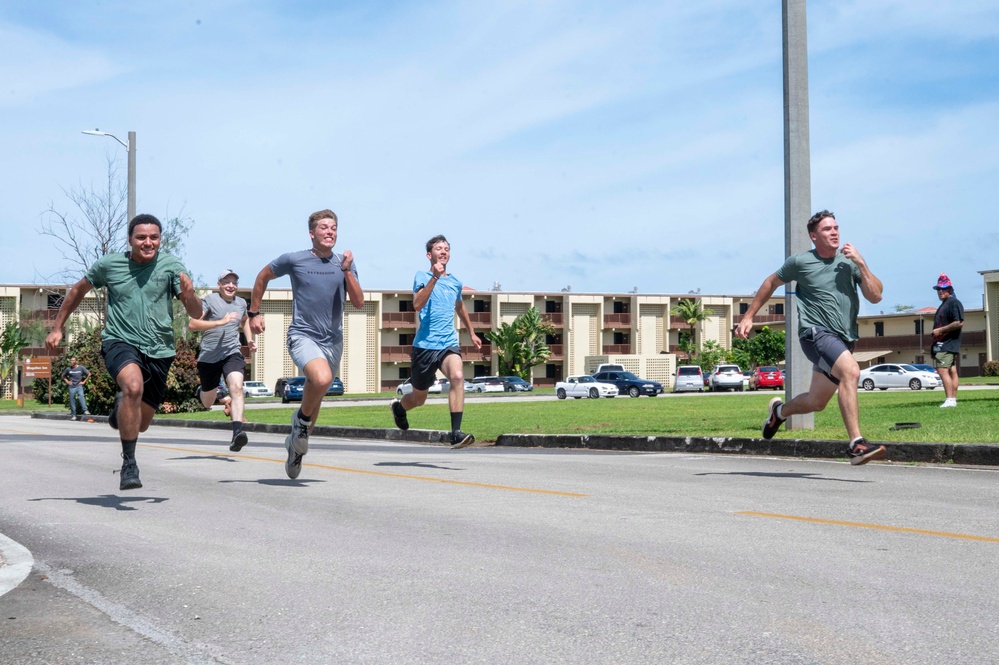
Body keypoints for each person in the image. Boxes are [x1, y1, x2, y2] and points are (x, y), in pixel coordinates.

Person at [45, 214, 203, 490]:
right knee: (133, 386)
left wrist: (189, 295)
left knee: (140, 424)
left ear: (160, 239)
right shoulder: (110, 265)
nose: (148, 242)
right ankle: (129, 463)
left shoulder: (171, 266)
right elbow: (77, 291)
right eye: (141, 237)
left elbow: (196, 313)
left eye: (153, 237)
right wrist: (58, 327)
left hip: (159, 349)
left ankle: (121, 409)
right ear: (130, 240)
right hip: (119, 340)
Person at [735, 210, 887, 465]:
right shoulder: (801, 262)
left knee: (816, 402)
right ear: (814, 236)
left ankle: (779, 413)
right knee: (851, 372)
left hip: (843, 337)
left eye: (836, 227)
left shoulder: (848, 263)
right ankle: (856, 445)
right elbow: (771, 282)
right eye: (828, 229)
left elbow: (876, 296)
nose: (835, 232)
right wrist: (749, 316)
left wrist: (861, 263)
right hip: (815, 333)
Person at [248, 209, 364, 479]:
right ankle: (299, 422)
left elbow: (358, 302)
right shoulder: (294, 259)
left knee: (317, 392)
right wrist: (254, 312)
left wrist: (346, 270)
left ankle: (296, 447)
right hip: (303, 334)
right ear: (312, 233)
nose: (329, 232)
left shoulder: (343, 263)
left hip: (333, 340)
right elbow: (262, 276)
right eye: (324, 227)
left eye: (333, 227)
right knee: (321, 379)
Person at [390, 235, 482, 449]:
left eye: (447, 248)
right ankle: (399, 408)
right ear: (429, 255)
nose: (444, 251)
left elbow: (460, 307)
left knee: (458, 376)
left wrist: (472, 332)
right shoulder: (421, 276)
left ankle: (456, 433)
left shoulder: (455, 282)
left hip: (448, 343)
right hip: (424, 346)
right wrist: (435, 278)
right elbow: (417, 304)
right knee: (419, 398)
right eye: (439, 248)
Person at [190, 269, 256, 450]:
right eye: (226, 282)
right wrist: (220, 322)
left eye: (234, 282)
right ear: (219, 285)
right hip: (209, 357)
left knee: (237, 386)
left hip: (231, 352)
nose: (231, 285)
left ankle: (237, 433)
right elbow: (193, 324)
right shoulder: (210, 300)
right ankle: (202, 391)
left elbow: (245, 321)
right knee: (207, 402)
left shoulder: (241, 303)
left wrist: (249, 340)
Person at [931, 273, 964, 408]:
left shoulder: (954, 303)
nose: (940, 291)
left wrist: (940, 330)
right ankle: (952, 399)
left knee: (942, 370)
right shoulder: (945, 304)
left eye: (943, 289)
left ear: (950, 290)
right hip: (943, 343)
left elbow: (959, 323)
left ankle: (950, 400)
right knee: (951, 370)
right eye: (938, 289)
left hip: (947, 343)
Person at [61, 356, 91, 421]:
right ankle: (74, 415)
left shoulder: (81, 368)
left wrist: (84, 382)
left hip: (79, 386)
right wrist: (67, 381)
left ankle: (85, 410)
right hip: (72, 387)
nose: (72, 361)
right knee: (72, 400)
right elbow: (63, 376)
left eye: (73, 360)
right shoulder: (69, 369)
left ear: (76, 361)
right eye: (71, 360)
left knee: (81, 396)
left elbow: (89, 374)